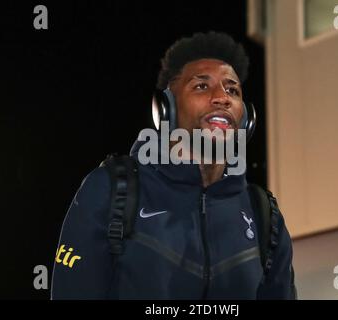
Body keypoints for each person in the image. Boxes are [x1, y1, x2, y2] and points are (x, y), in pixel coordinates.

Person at [51, 31, 296, 299]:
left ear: (247, 119)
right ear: (165, 109)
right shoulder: (111, 190)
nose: (222, 97)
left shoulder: (265, 217)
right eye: (202, 86)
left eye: (232, 90)